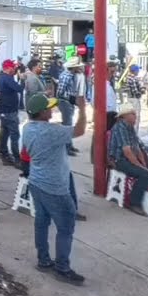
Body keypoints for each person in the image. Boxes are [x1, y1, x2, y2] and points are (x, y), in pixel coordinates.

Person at [21, 92, 87, 284]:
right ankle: (62, 268)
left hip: (36, 182)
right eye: (49, 108)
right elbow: (80, 130)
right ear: (42, 113)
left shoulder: (27, 128)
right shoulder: (51, 131)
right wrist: (82, 108)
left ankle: (43, 260)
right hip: (55, 187)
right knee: (66, 226)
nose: (52, 109)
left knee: (41, 222)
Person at [0, 60, 24, 166]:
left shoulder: (0, 78)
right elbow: (19, 89)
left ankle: (3, 152)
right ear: (8, 68)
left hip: (3, 110)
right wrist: (21, 79)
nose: (15, 69)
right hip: (9, 111)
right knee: (14, 135)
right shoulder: (7, 78)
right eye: (13, 68)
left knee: (4, 133)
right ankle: (17, 159)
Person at [56, 59, 86, 156]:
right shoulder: (66, 76)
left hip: (68, 101)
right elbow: (60, 90)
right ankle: (66, 147)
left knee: (68, 124)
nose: (80, 68)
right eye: (78, 67)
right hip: (65, 101)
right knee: (67, 125)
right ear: (74, 67)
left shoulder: (71, 75)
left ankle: (69, 145)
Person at [123, 64, 145, 130]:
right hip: (134, 99)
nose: (138, 72)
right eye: (137, 70)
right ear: (135, 71)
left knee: (129, 116)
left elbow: (125, 89)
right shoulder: (133, 79)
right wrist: (142, 91)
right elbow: (135, 91)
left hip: (129, 98)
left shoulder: (127, 78)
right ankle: (134, 132)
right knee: (136, 116)